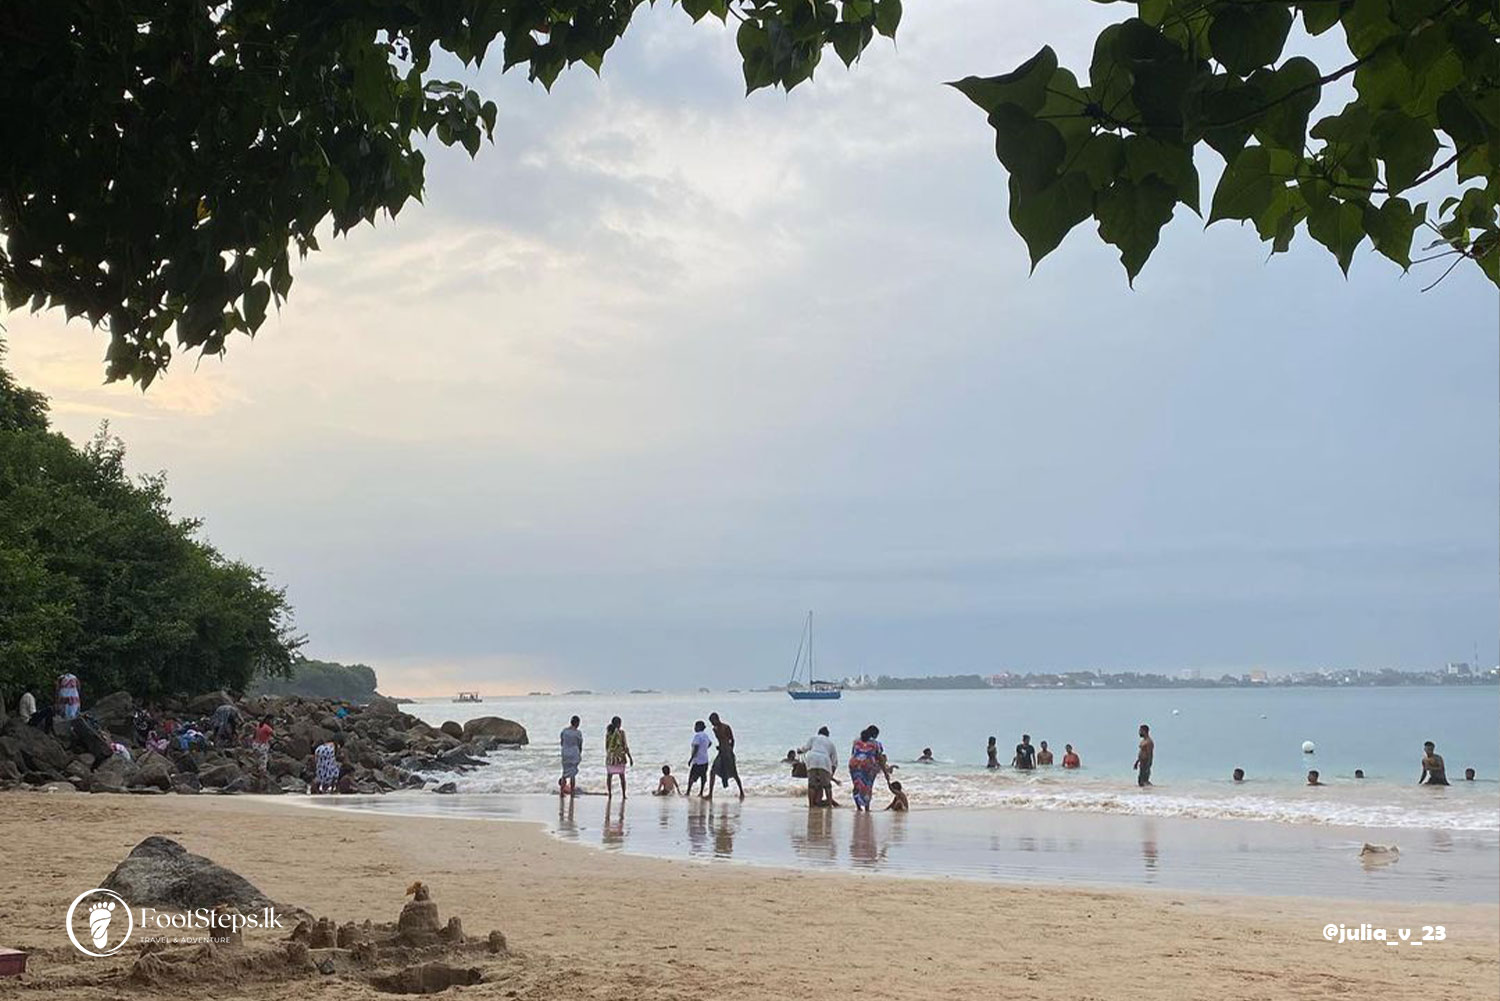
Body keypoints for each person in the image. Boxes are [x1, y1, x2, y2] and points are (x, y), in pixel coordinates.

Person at [847, 725, 891, 812]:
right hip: (868, 766)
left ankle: (858, 807)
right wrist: (886, 773)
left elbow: (853, 753)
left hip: (854, 764)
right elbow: (880, 758)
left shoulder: (856, 741)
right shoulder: (876, 743)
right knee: (868, 786)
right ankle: (867, 808)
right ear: (874, 734)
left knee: (857, 785)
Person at [799, 725, 839, 807]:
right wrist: (831, 774)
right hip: (824, 761)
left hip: (811, 759)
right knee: (827, 786)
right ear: (827, 735)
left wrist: (799, 750)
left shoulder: (813, 738)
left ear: (818, 733)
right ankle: (829, 804)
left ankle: (811, 805)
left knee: (811, 785)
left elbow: (804, 749)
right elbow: (834, 761)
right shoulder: (830, 743)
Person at [707, 712, 744, 800]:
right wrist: (720, 747)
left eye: (712, 721)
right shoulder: (714, 729)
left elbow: (732, 740)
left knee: (734, 772)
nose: (712, 723)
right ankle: (710, 794)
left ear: (717, 719)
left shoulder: (726, 727)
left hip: (728, 752)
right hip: (721, 752)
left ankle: (742, 792)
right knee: (713, 771)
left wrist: (730, 750)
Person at [605, 716, 633, 798]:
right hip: (620, 758)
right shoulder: (621, 733)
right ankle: (624, 795)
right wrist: (630, 757)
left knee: (609, 776)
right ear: (619, 724)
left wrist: (610, 755)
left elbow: (606, 747)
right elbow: (625, 746)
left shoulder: (608, 733)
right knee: (622, 776)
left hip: (610, 758)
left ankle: (610, 794)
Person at [686, 720, 712, 797]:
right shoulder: (705, 735)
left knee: (692, 776)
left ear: (699, 727)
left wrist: (691, 758)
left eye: (695, 726)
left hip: (697, 760)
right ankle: (701, 792)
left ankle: (688, 792)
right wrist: (704, 749)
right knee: (703, 776)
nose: (694, 728)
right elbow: (710, 743)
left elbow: (696, 747)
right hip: (705, 759)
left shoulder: (697, 736)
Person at [559, 715, 583, 797]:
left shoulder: (564, 731)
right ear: (577, 723)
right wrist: (579, 753)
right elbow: (580, 745)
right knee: (572, 774)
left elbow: (562, 742)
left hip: (565, 753)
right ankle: (572, 793)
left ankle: (561, 792)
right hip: (574, 753)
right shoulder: (578, 733)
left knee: (564, 773)